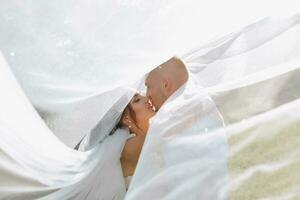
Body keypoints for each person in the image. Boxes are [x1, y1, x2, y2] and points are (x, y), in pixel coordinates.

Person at [117, 93, 155, 188]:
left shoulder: (152, 130)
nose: (146, 98)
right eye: (137, 100)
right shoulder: (129, 146)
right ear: (126, 119)